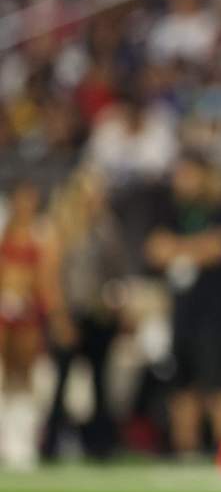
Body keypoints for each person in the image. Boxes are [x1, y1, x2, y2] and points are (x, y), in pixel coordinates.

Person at [144, 151, 221, 457]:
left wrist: (178, 249)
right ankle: (185, 452)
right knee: (181, 385)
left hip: (212, 311)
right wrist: (195, 249)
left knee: (217, 384)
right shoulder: (172, 210)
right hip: (181, 311)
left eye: (187, 174)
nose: (181, 181)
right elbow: (154, 250)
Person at [40, 167, 130, 462]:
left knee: (101, 382)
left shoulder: (106, 227)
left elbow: (118, 271)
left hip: (99, 313)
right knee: (62, 381)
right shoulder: (62, 226)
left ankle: (101, 446)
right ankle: (51, 444)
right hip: (71, 312)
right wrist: (59, 317)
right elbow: (51, 276)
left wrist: (119, 305)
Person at [0, 181, 72, 470]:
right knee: (4, 375)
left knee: (25, 376)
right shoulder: (4, 232)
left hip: (28, 312)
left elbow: (47, 279)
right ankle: (5, 436)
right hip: (4, 310)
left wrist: (56, 315)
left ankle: (24, 439)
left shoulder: (42, 235)